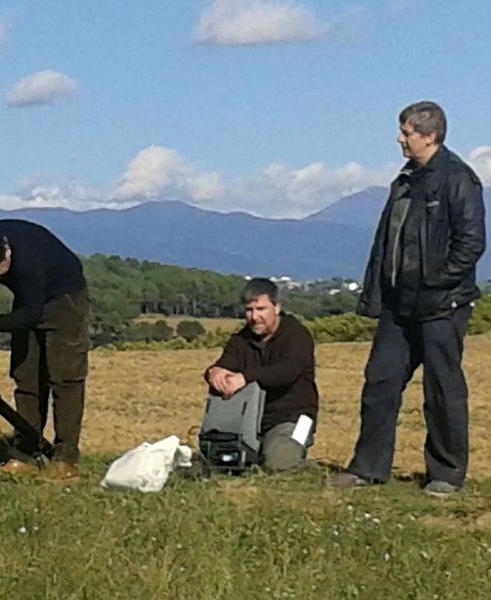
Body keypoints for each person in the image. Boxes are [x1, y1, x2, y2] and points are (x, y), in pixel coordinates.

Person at [332, 101, 485, 497]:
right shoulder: (403, 181)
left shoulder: (458, 179)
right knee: (380, 383)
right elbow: (388, 244)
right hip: (398, 308)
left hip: (442, 306)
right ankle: (368, 467)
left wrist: (436, 281)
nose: (400, 138)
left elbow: (471, 244)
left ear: (430, 135)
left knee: (442, 390)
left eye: (407, 132)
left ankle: (446, 474)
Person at [0, 220, 90, 481]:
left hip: (63, 298)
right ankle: (26, 453)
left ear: (7, 252)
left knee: (64, 378)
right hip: (28, 299)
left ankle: (65, 459)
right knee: (27, 376)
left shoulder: (29, 258)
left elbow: (32, 314)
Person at [203, 278, 318, 471]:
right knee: (225, 462)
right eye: (249, 310)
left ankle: (305, 464)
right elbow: (225, 365)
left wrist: (244, 377)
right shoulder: (241, 340)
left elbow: (287, 371)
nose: (254, 317)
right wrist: (214, 373)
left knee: (280, 462)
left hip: (296, 417)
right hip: (250, 420)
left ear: (276, 307)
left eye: (261, 309)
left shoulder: (297, 335)